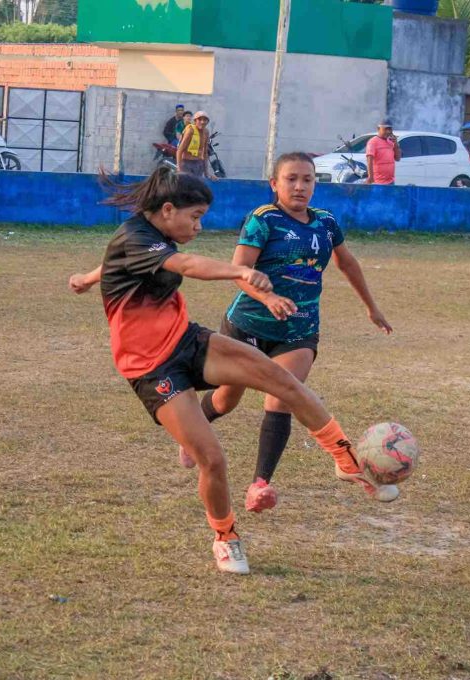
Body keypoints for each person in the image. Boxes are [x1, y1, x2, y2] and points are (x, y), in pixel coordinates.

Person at [67, 167, 392, 574]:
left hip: (187, 340)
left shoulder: (148, 237)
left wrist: (89, 277)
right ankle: (226, 538)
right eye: (195, 216)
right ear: (168, 210)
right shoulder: (137, 238)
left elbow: (120, 261)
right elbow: (183, 264)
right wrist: (238, 271)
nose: (199, 226)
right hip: (150, 367)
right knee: (212, 459)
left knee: (281, 380)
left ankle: (345, 458)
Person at [178, 152, 394, 513]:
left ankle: (260, 485)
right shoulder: (263, 220)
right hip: (246, 326)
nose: (299, 186)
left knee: (283, 396)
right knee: (227, 398)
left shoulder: (325, 223)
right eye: (291, 178)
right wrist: (268, 296)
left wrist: (371, 307)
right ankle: (193, 432)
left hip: (299, 330)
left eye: (307, 179)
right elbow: (239, 269)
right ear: (274, 184)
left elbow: (348, 263)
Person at [176, 111, 213, 179]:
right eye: (199, 119)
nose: (202, 122)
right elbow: (179, 150)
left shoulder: (206, 132)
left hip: (198, 164)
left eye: (205, 120)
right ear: (195, 121)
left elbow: (205, 153)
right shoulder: (190, 130)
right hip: (187, 164)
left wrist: (206, 173)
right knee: (187, 187)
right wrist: (179, 169)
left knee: (197, 187)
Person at [366, 119, 401, 185]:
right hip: (378, 182)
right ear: (378, 129)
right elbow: (369, 160)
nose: (388, 131)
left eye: (390, 129)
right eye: (385, 129)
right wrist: (370, 177)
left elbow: (398, 158)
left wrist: (396, 144)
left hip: (391, 182)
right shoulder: (373, 142)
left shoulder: (391, 142)